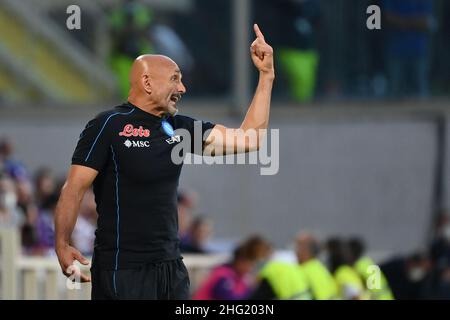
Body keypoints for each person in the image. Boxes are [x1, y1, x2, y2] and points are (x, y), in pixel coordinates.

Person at [54, 24, 274, 300]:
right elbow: (73, 188)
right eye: (174, 79)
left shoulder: (179, 128)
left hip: (171, 269)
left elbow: (249, 140)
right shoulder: (107, 125)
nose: (182, 87)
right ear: (147, 83)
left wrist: (266, 76)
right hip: (122, 270)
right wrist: (62, 243)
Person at [295, 232, 339, 300]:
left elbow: (323, 297)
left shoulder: (309, 270)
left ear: (305, 250)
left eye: (298, 246)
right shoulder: (318, 267)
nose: (295, 251)